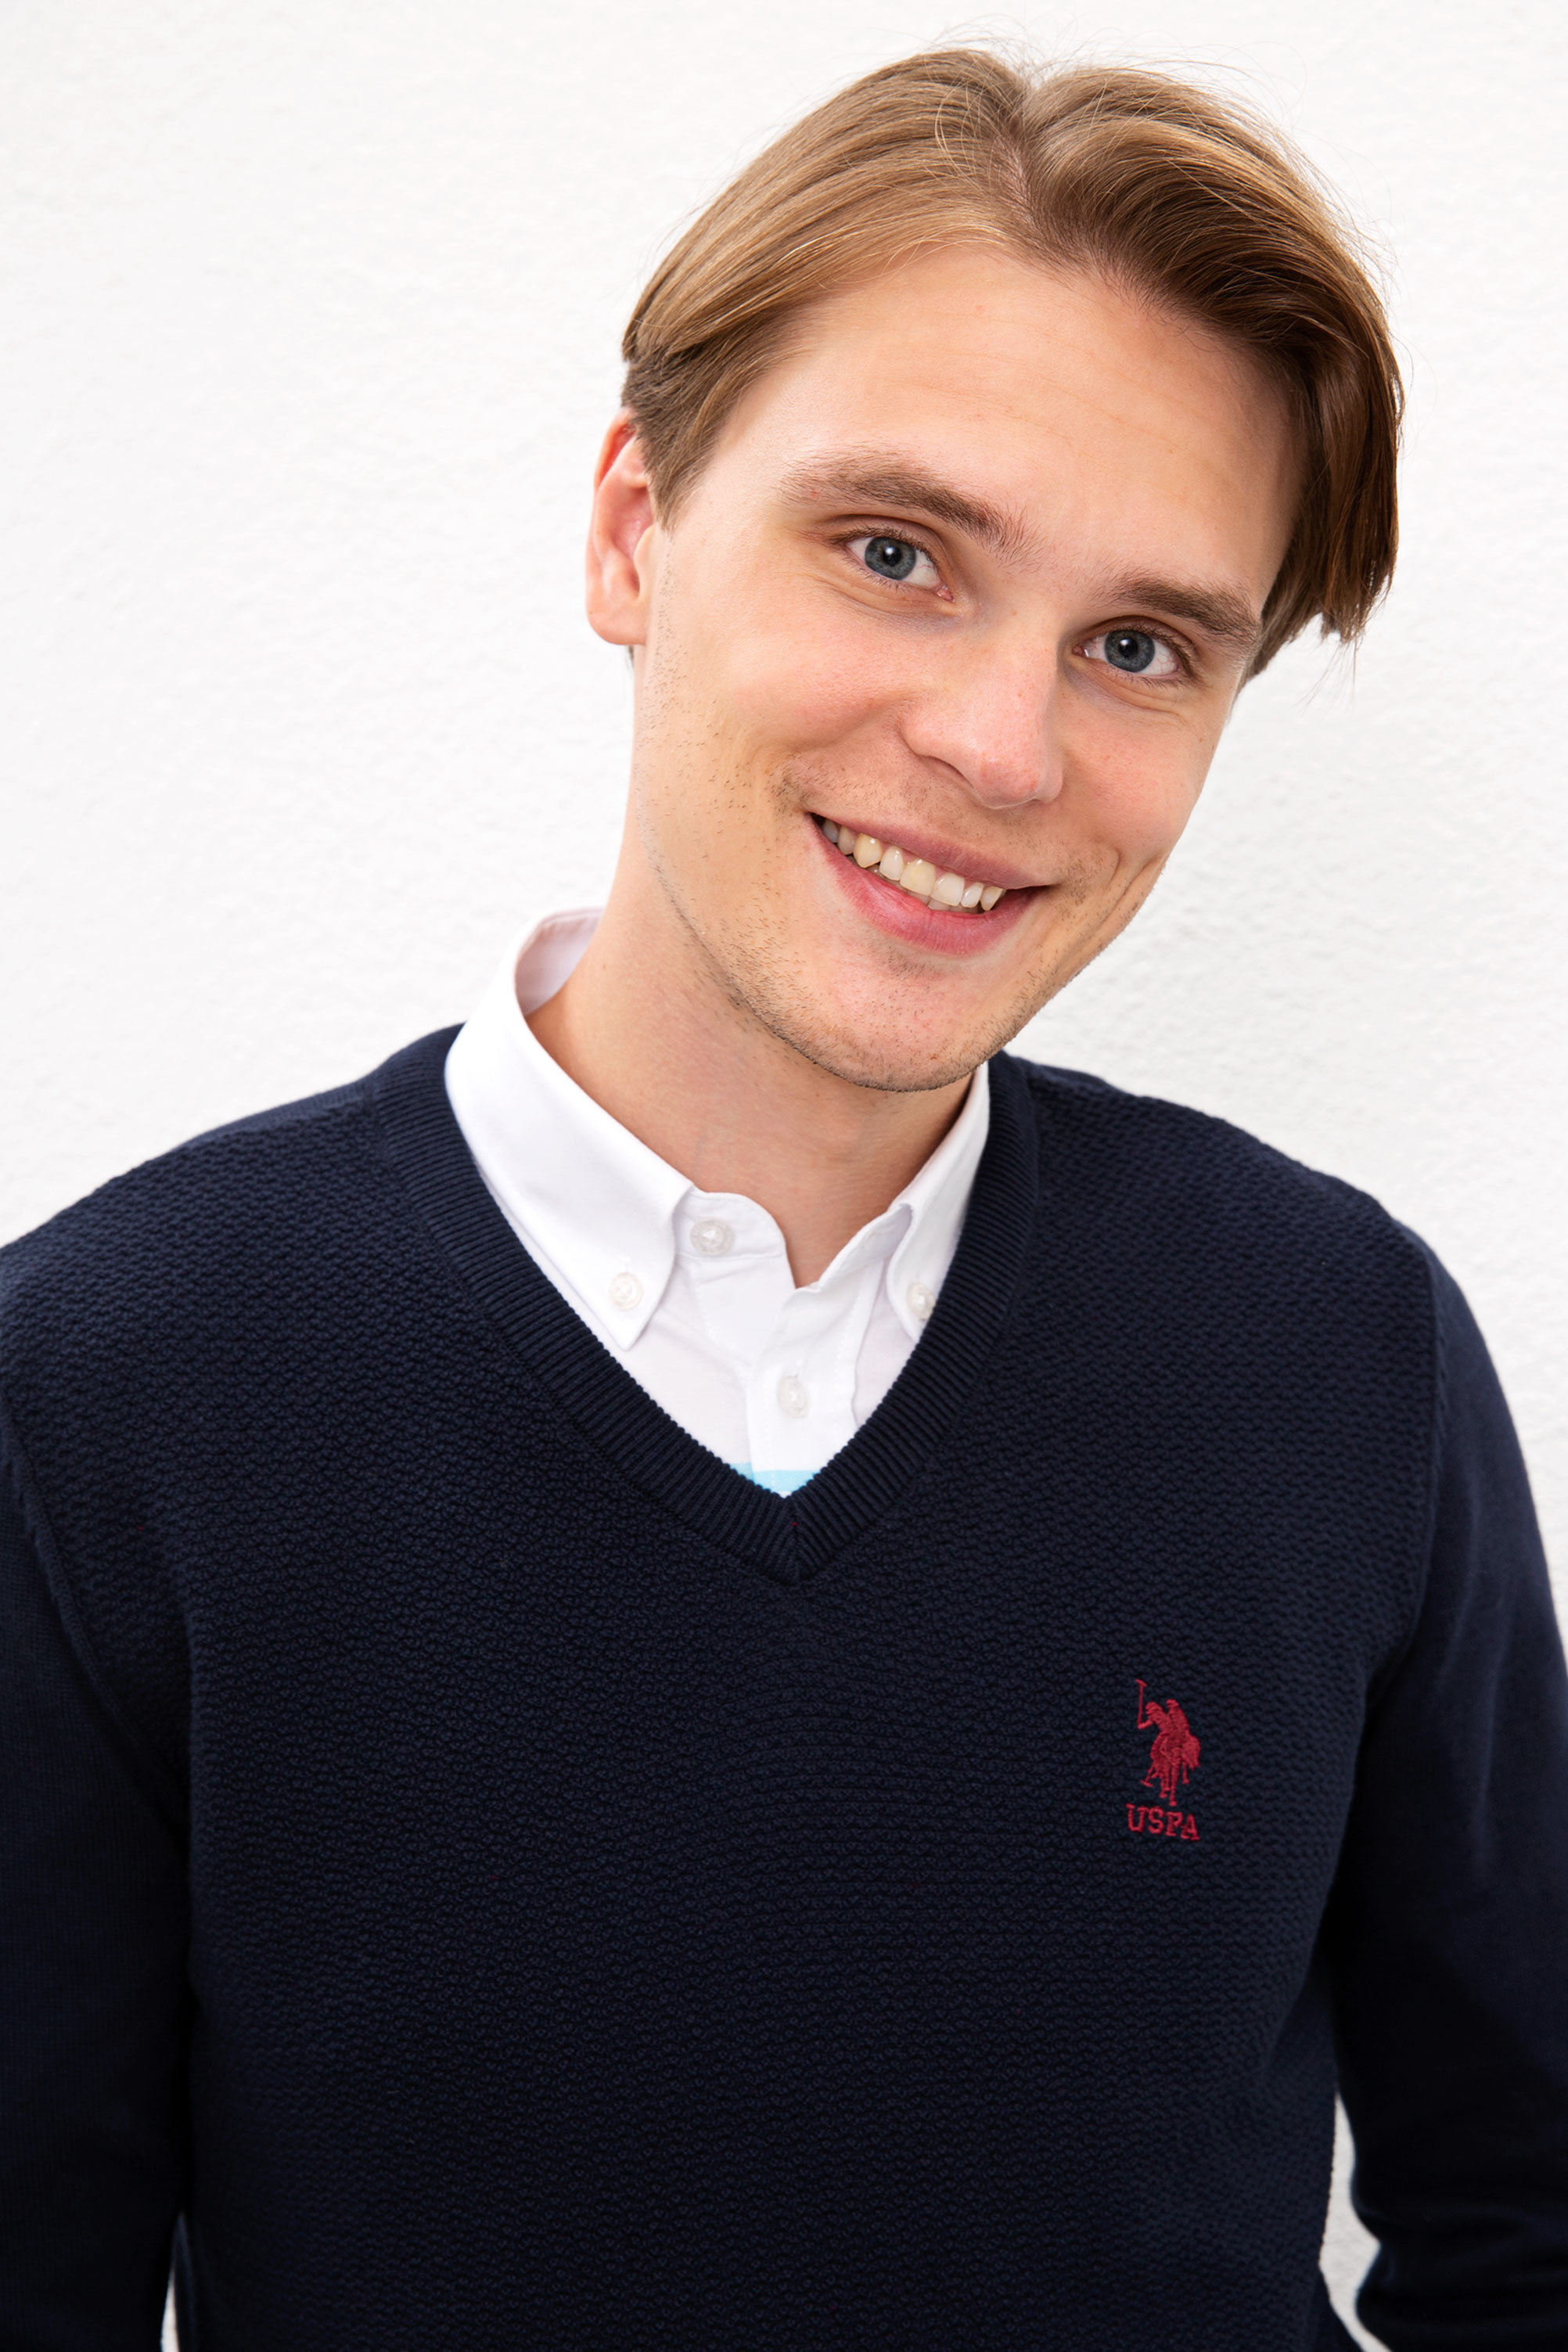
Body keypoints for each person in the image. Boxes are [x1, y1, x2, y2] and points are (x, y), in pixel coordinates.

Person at [2, 46, 1564, 2352]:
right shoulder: (108, 1391)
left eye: (1140, 647)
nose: (1002, 749)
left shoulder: (1345, 1356)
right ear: (635, 530)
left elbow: (1530, 2239)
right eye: (895, 552)